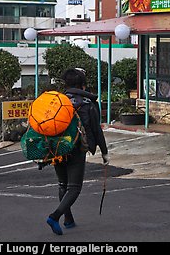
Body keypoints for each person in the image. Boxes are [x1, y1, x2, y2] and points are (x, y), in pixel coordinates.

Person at [46, 67, 109, 235]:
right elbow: (96, 130)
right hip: (76, 149)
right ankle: (55, 216)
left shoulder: (58, 101)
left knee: (62, 184)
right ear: (82, 85)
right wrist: (104, 152)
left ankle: (68, 219)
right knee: (74, 187)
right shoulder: (87, 103)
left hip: (56, 147)